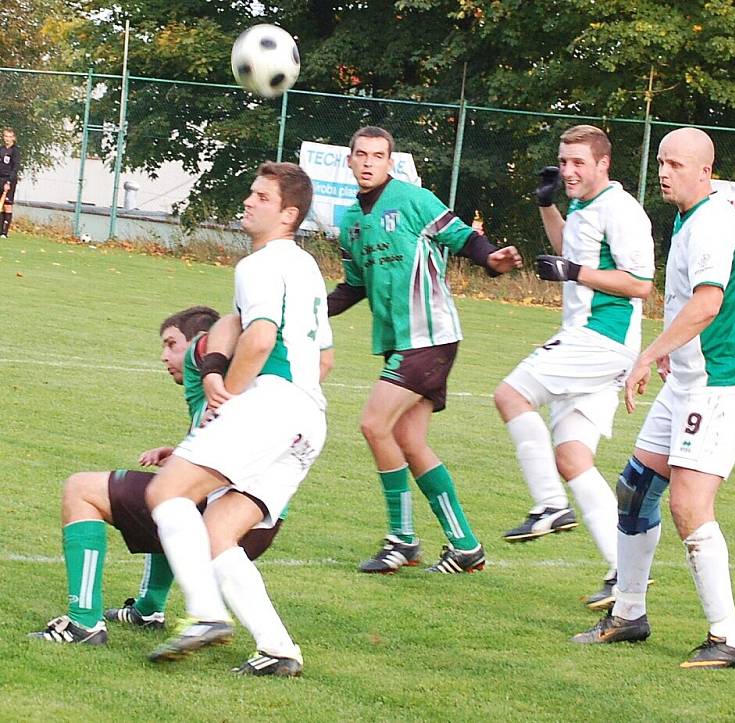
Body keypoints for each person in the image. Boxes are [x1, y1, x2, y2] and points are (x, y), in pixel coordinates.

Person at [572, 127, 735, 669]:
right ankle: (629, 614)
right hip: (688, 377)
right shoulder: (687, 217)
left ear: (705, 170)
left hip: (723, 380)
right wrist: (669, 352)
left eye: (677, 164)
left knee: (687, 504)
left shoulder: (710, 223)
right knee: (636, 488)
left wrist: (647, 352)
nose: (664, 171)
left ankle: (728, 639)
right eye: (661, 161)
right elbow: (689, 305)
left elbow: (707, 304)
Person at [144, 161, 332, 678]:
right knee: (217, 531)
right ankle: (278, 650)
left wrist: (228, 394)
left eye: (262, 197)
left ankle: (205, 615)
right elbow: (325, 359)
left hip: (273, 404)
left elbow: (261, 337)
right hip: (308, 419)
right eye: (250, 192)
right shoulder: (307, 267)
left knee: (166, 493)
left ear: (288, 214)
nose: (248, 201)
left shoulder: (259, 265)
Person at [327, 125, 522, 574]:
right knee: (408, 440)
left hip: (429, 336)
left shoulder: (414, 199)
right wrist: (310, 311)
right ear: (350, 161)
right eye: (362, 155)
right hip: (401, 342)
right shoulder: (350, 222)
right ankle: (466, 545)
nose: (370, 162)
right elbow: (353, 286)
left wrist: (491, 259)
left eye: (379, 155)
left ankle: (403, 539)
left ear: (390, 162)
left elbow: (463, 238)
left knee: (374, 425)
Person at [28, 307, 284, 643]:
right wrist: (181, 454)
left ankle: (83, 623)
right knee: (170, 493)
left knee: (81, 489)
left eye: (171, 344)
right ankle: (148, 609)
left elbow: (240, 338)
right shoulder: (232, 391)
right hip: (259, 520)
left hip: (226, 519)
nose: (164, 356)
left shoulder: (204, 368)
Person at [494, 124, 655, 608]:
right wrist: (547, 206)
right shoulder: (585, 205)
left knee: (510, 395)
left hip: (601, 339)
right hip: (588, 340)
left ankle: (549, 505)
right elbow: (571, 251)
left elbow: (640, 283)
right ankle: (623, 573)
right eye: (563, 162)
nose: (567, 170)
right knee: (573, 458)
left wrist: (576, 273)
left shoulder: (622, 210)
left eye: (578, 162)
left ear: (604, 163)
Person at [1, 127, 20, 238]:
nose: (7, 139)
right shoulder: (1, 149)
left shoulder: (15, 151)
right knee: (0, 205)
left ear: (13, 138)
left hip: (9, 180)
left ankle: (5, 232)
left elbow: (15, 167)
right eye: (6, 136)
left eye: (9, 137)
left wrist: (9, 181)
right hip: (0, 179)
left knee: (7, 205)